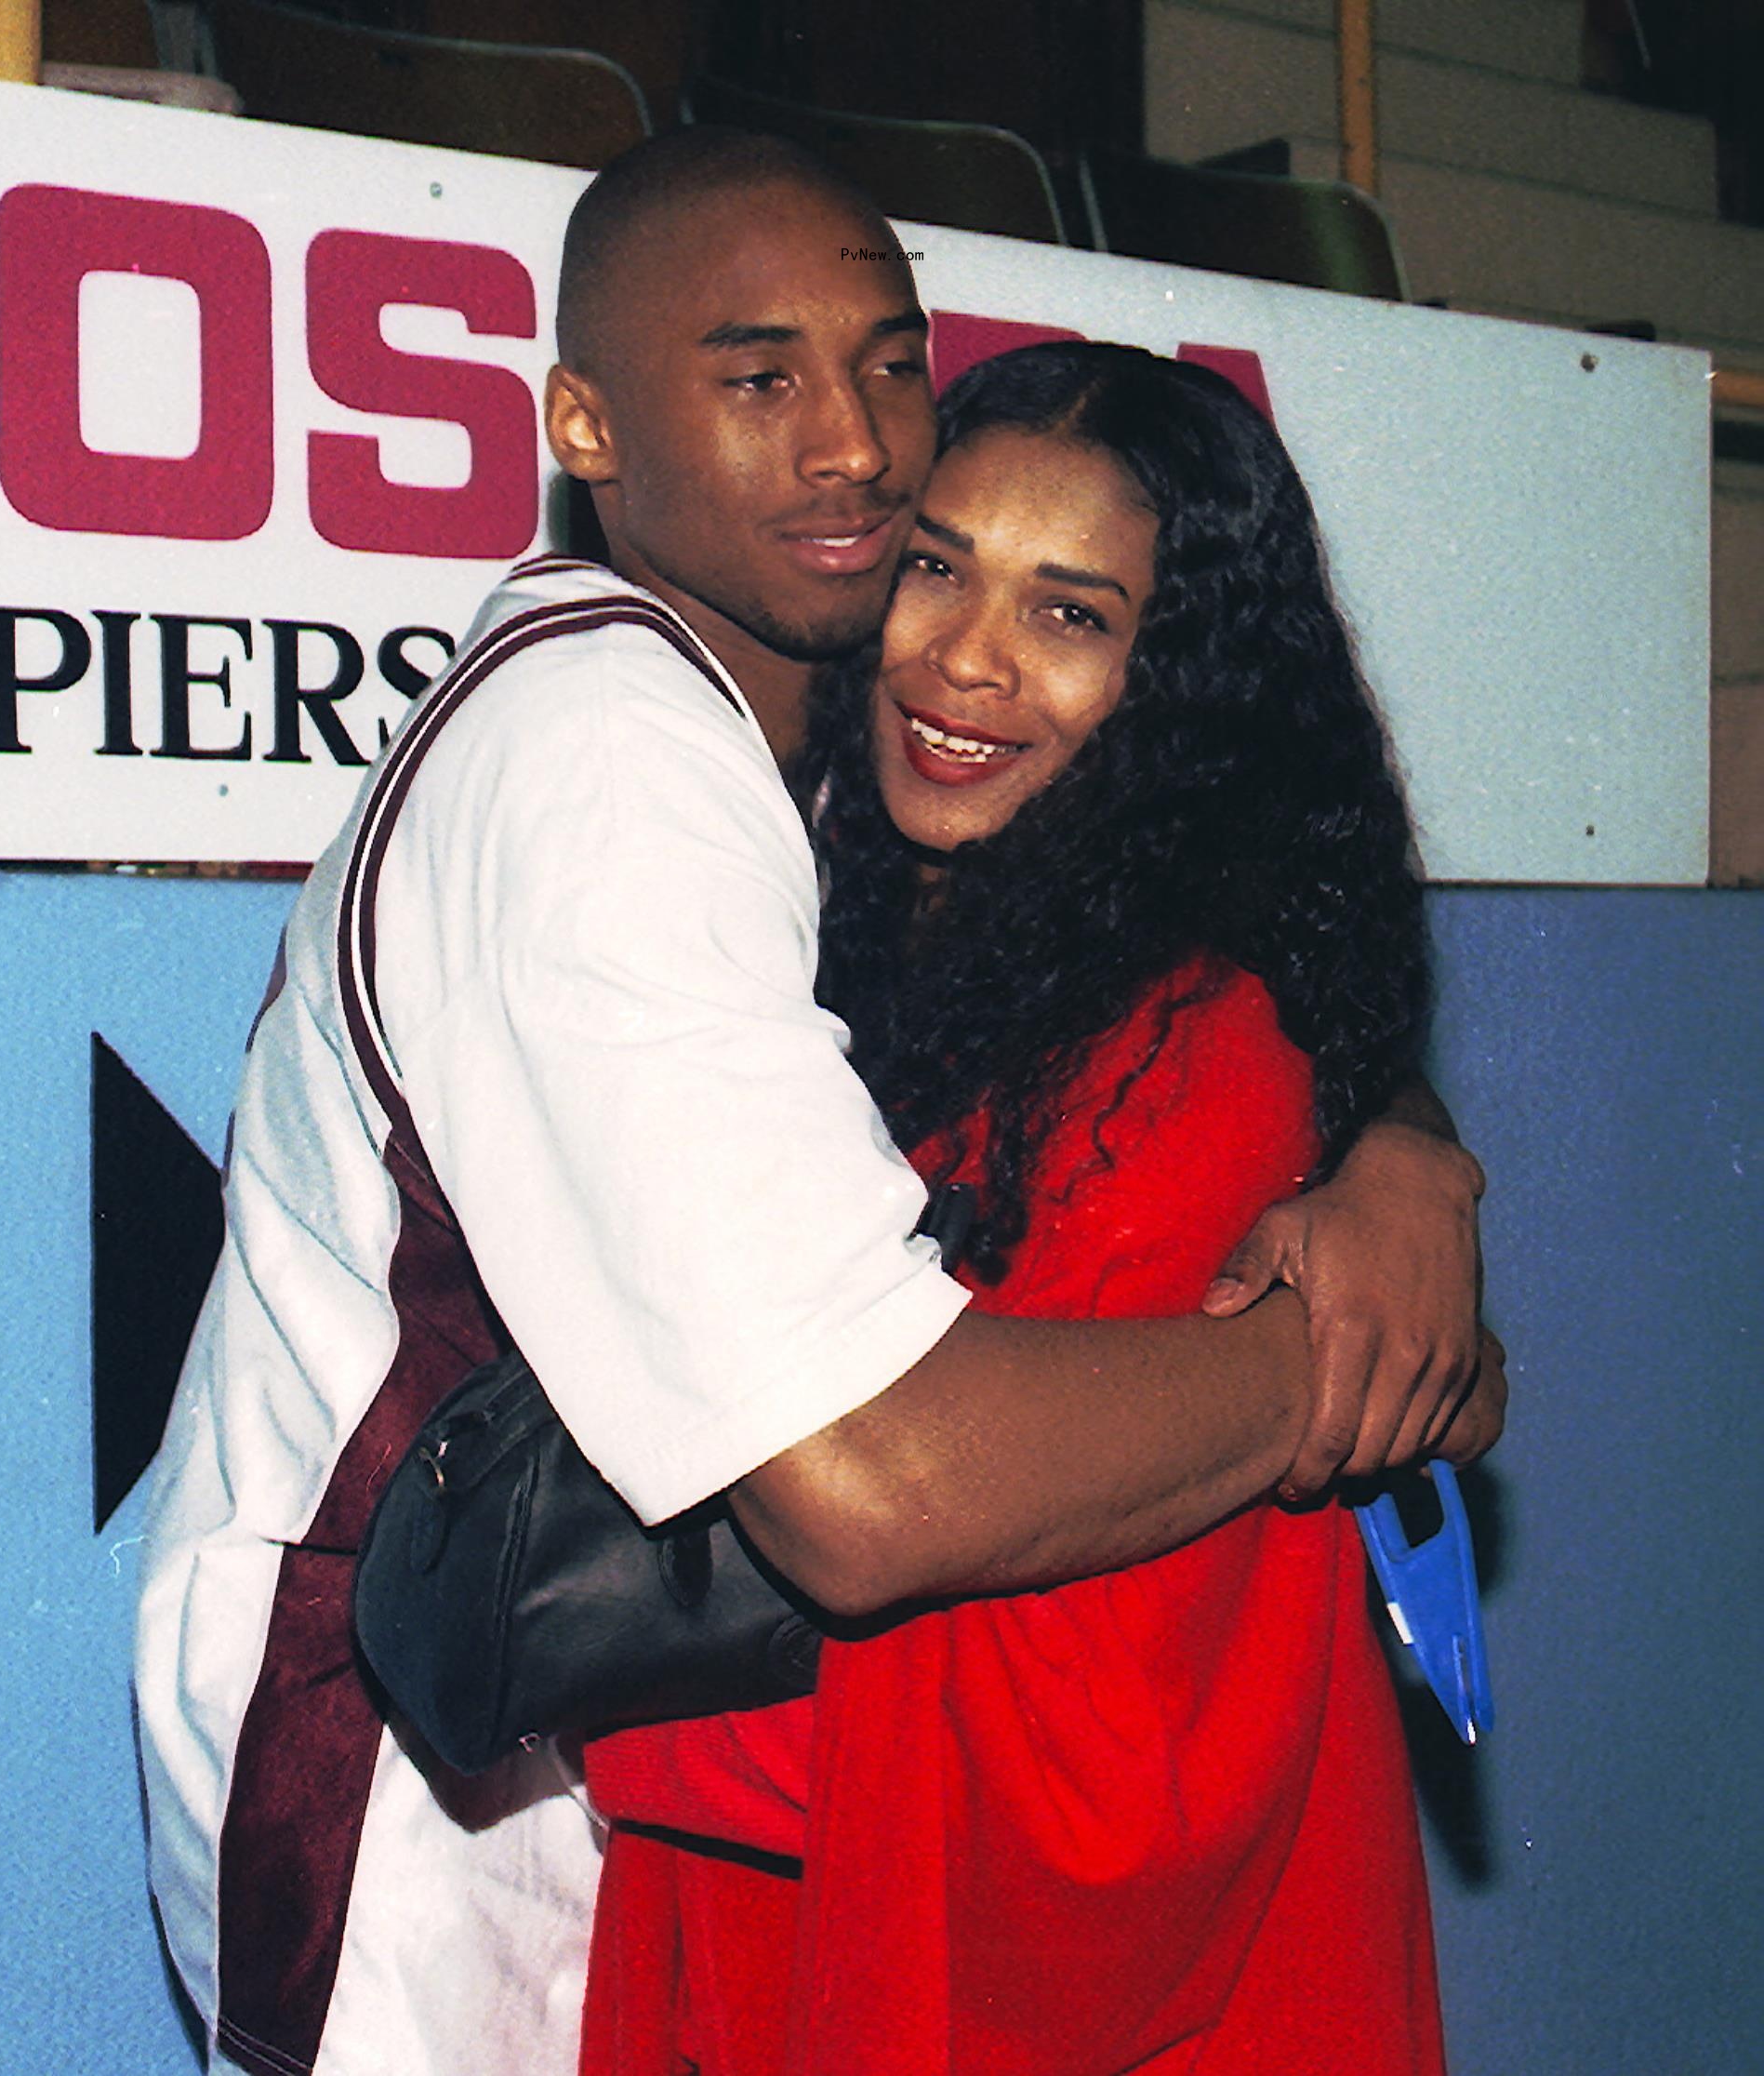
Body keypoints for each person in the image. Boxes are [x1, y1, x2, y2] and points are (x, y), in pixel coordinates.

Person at [133, 131, 1500, 2076]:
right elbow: (868, 1493)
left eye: (887, 364)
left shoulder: (820, 790)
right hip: (426, 1817)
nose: (856, 450)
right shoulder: (632, 764)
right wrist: (1346, 1365)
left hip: (788, 1887)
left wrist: (1393, 1143)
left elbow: (1096, 1736)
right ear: (586, 421)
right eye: (758, 378)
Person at [575, 340, 1465, 2075]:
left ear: (1174, 684)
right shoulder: (820, 923)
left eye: (1071, 614)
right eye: (936, 565)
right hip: (802, 1924)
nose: (964, 658)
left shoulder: (1191, 1053)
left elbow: (1097, 1773)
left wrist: (617, 1700)